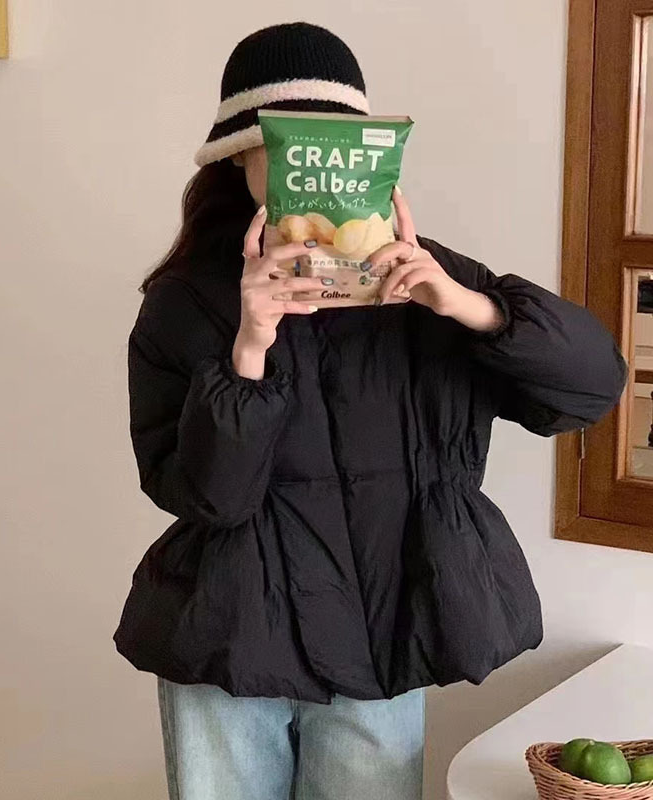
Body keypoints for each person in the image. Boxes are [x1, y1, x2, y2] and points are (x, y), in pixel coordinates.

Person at [113, 21, 628, 800]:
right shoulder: (186, 302)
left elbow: (590, 389)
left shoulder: (432, 281)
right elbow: (205, 497)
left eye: (330, 149)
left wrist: (470, 306)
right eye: (282, 150)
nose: (310, 173)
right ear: (238, 160)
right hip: (230, 636)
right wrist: (249, 348)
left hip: (384, 633)